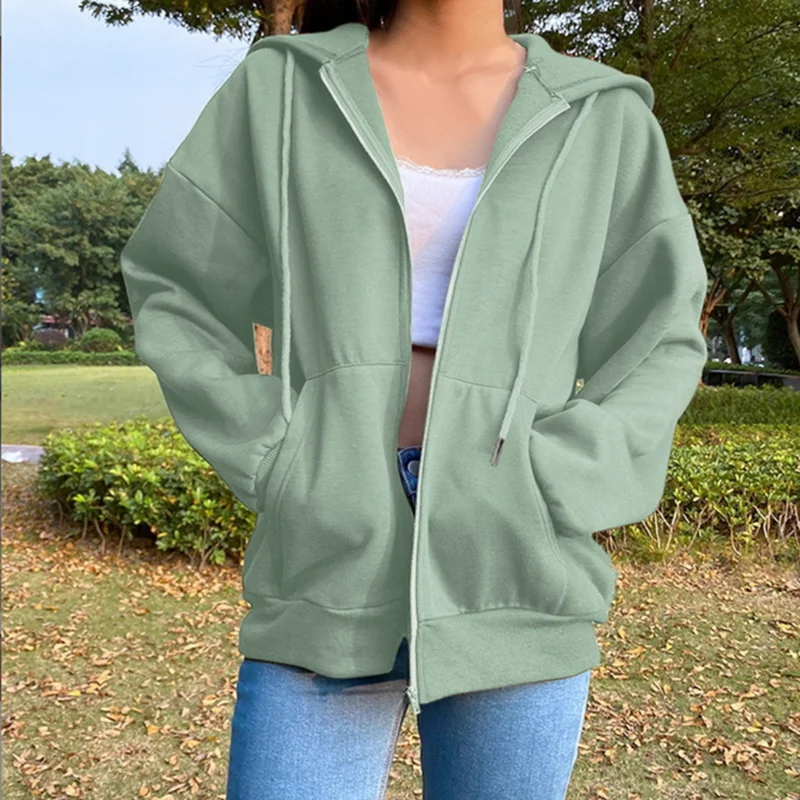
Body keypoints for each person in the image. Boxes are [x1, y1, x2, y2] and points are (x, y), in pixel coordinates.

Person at [119, 1, 709, 797]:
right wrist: (277, 452)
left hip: (514, 567)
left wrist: (564, 472)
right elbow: (178, 287)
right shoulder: (283, 89)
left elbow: (660, 334)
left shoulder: (603, 115)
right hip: (326, 559)